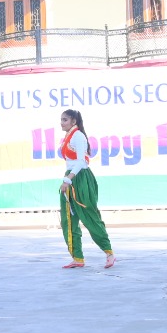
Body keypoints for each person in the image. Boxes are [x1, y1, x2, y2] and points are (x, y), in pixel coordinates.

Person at [58, 109, 115, 269]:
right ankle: (77, 258)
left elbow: (82, 161)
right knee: (68, 219)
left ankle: (109, 252)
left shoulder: (78, 136)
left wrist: (68, 179)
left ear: (74, 121)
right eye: (61, 120)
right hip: (70, 177)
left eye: (65, 120)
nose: (61, 123)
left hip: (80, 179)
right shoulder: (68, 136)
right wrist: (68, 178)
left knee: (89, 216)